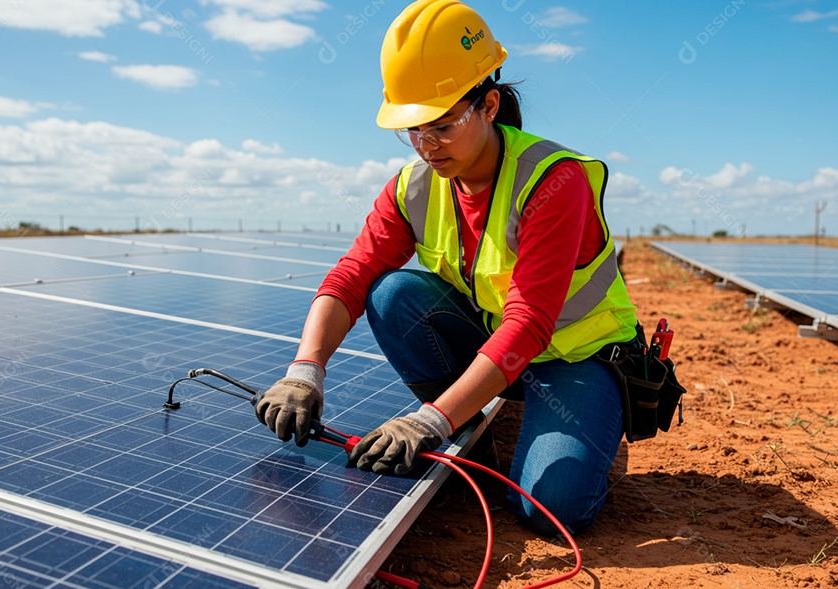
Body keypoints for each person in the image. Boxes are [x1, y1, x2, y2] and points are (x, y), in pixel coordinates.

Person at [254, 0, 642, 536]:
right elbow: (353, 274)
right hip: (497, 347)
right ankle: (471, 415)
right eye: (412, 129)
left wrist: (428, 422)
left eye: (441, 124)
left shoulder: (554, 181)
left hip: (576, 356)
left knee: (553, 510)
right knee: (391, 294)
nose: (426, 144)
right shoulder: (413, 186)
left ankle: (504, 417)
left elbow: (530, 322)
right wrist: (305, 370)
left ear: (487, 105)